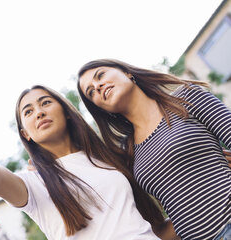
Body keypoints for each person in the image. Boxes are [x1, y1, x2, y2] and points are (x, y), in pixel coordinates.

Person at [0, 48, 177, 239]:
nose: (38, 112)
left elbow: (151, 229)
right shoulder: (35, 185)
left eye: (45, 103)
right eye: (28, 112)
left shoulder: (112, 159)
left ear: (66, 112)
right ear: (25, 134)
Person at [77, 58, 231, 240]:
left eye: (100, 75)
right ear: (100, 108)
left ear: (127, 72)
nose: (98, 86)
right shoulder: (126, 152)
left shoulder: (186, 98)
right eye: (91, 92)